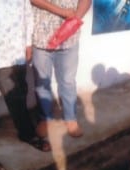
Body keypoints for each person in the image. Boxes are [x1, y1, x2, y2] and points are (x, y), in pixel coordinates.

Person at [0, 0, 51, 170]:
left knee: (17, 97)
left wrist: (27, 43)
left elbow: (27, 13)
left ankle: (27, 134)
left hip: (11, 51)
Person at [30, 0, 91, 138]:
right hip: (42, 38)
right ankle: (46, 119)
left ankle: (70, 119)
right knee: (42, 83)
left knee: (68, 81)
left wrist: (76, 18)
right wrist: (63, 12)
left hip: (69, 37)